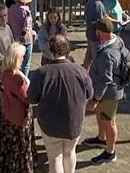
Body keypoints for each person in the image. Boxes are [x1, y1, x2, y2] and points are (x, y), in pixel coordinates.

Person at [29, 35, 93, 173]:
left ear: (50, 51)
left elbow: (32, 99)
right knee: (70, 153)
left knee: (55, 158)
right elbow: (90, 94)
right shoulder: (81, 71)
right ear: (67, 50)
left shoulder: (42, 73)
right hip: (74, 123)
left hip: (50, 125)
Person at [83, 19, 125, 165]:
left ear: (100, 32)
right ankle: (101, 139)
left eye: (97, 30)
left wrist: (95, 99)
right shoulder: (117, 40)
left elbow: (105, 80)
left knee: (109, 122)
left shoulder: (108, 54)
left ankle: (110, 152)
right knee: (102, 117)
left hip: (109, 94)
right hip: (108, 91)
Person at [0, 42, 36, 173]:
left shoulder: (5, 72)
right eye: (22, 56)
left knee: (10, 143)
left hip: (8, 111)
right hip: (20, 115)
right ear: (15, 58)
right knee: (21, 144)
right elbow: (27, 98)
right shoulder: (17, 79)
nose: (24, 58)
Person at [83, 0, 119, 70]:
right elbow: (102, 23)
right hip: (96, 35)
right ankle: (96, 75)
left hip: (89, 32)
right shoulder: (99, 5)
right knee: (97, 58)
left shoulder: (90, 1)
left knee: (88, 56)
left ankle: (85, 72)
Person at [8, 0, 36, 76]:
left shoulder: (11, 8)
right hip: (26, 40)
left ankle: (15, 78)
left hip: (15, 38)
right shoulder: (26, 11)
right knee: (26, 64)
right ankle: (24, 80)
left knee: (16, 61)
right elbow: (27, 27)